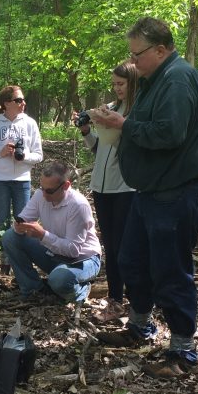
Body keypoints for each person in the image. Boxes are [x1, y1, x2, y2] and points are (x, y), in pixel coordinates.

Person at [97, 17, 198, 379]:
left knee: (170, 266)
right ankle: (140, 326)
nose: (133, 62)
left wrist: (125, 126)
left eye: (138, 54)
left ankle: (182, 350)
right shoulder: (154, 80)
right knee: (132, 257)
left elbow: (170, 133)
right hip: (153, 188)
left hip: (181, 188)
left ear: (161, 50)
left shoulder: (178, 78)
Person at [76, 63, 139, 321]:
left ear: (133, 82)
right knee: (111, 245)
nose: (117, 88)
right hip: (102, 187)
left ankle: (137, 302)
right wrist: (87, 130)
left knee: (126, 246)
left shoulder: (136, 113)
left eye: (121, 84)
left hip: (125, 186)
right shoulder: (110, 109)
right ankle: (115, 301)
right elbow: (98, 148)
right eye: (114, 84)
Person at [2, 161, 101, 303]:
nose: (44, 194)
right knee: (10, 237)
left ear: (66, 186)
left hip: (83, 259)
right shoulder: (40, 195)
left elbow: (73, 250)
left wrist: (42, 235)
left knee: (59, 280)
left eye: (49, 191)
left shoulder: (78, 206)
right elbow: (23, 220)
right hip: (54, 253)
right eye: (42, 188)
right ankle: (33, 290)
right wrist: (19, 226)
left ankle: (81, 291)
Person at [0, 85, 44, 274]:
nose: (23, 103)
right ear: (6, 104)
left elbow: (38, 155)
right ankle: (5, 262)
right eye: (18, 100)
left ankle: (23, 262)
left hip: (22, 180)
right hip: (0, 180)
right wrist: (1, 152)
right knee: (3, 222)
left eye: (23, 100)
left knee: (23, 222)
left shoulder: (29, 124)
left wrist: (23, 157)